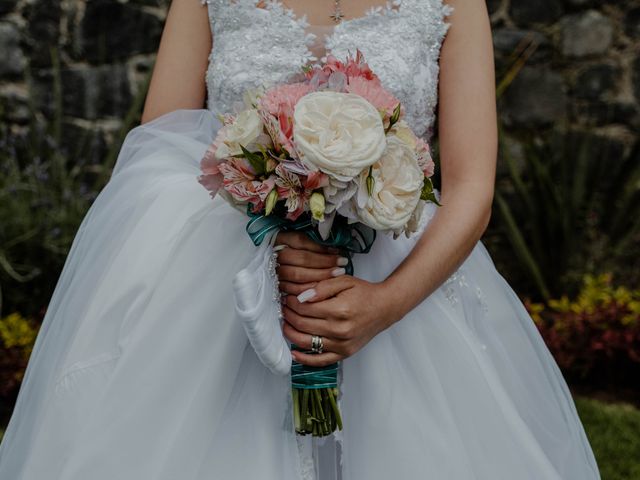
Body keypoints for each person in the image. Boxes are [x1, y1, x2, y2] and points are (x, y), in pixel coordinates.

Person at [0, 0, 601, 478]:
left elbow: (471, 188)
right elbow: (158, 151)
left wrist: (382, 306)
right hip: (212, 293)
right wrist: (274, 230)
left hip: (399, 289)